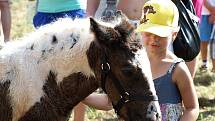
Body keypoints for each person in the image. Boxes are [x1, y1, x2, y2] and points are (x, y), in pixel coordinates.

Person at [136, 0, 199, 120]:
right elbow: (109, 101)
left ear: (174, 34)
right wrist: (88, 96)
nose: (154, 39)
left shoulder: (177, 69)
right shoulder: (134, 64)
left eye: (160, 34)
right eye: (148, 33)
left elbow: (192, 108)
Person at [199, 0, 215, 71]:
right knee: (204, 40)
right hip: (204, 13)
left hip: (212, 12)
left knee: (214, 43)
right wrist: (212, 11)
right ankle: (204, 63)